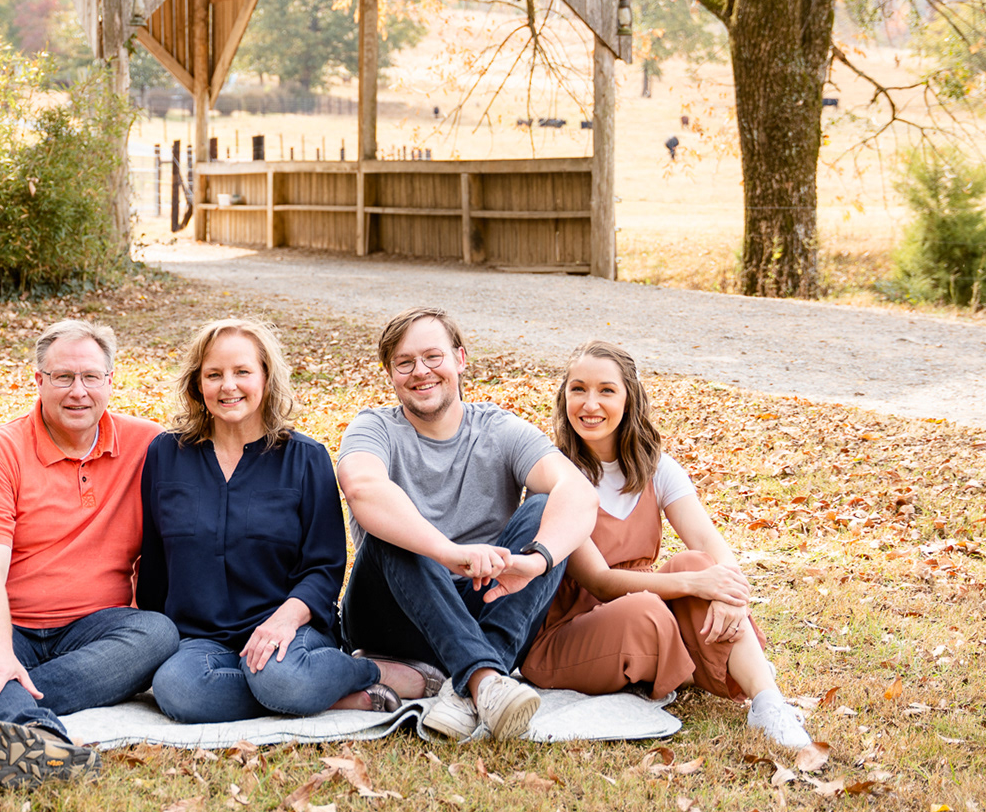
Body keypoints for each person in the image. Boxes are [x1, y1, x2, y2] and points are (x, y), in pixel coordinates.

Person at [518, 341, 812, 749]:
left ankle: (768, 704)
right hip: (568, 631)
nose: (590, 403)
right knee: (655, 604)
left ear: (629, 399)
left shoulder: (654, 465)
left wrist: (731, 592)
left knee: (697, 560)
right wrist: (697, 584)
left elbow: (709, 540)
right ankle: (707, 661)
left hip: (646, 604)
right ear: (563, 396)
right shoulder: (553, 473)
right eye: (578, 389)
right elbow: (600, 582)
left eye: (606, 390)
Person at [0, 319, 178, 788]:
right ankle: (40, 737)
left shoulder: (148, 445)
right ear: (39, 381)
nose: (77, 391)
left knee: (158, 633)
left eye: (90, 377)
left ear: (111, 381)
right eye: (63, 377)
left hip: (89, 627)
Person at [337, 307, 599, 743]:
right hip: (390, 618)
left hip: (481, 601)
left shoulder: (498, 428)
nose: (421, 372)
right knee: (395, 531)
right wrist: (446, 552)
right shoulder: (374, 427)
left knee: (544, 509)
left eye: (433, 357)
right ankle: (484, 681)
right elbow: (363, 488)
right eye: (405, 362)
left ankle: (471, 688)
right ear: (390, 373)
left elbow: (577, 491)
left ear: (460, 359)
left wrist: (537, 562)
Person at [140, 319, 414, 723]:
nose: (227, 386)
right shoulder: (166, 454)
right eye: (214, 374)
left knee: (278, 674)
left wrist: (284, 620)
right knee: (178, 691)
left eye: (242, 372)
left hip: (290, 626)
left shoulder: (305, 458)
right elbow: (155, 560)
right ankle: (323, 695)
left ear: (266, 378)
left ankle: (367, 671)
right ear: (198, 384)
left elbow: (324, 567)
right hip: (200, 638)